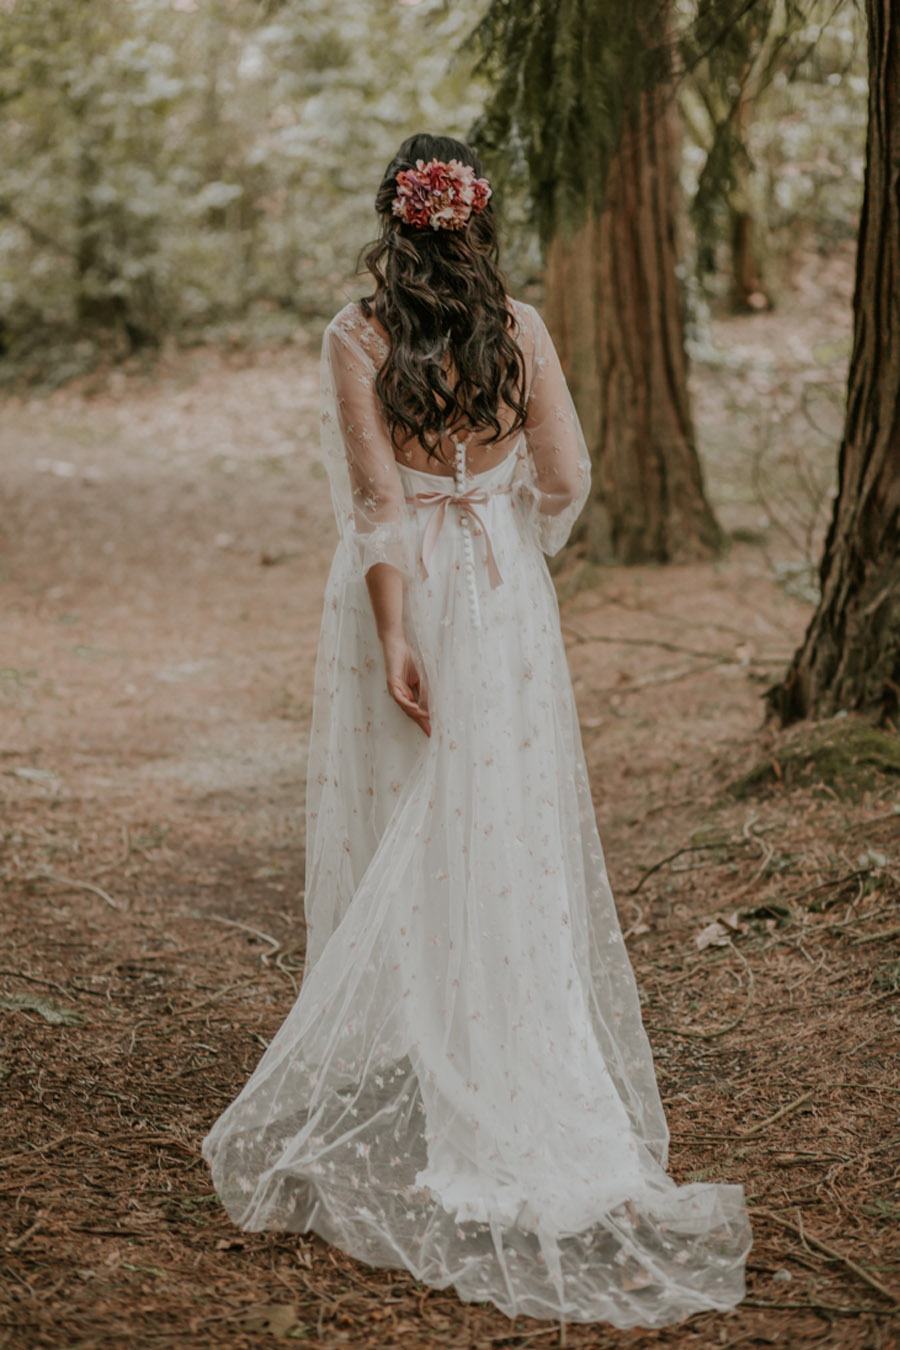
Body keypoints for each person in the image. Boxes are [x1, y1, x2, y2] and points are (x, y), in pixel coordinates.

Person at [201, 133, 751, 1327]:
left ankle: (436, 1049)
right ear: (472, 219)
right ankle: (508, 1046)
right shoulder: (524, 327)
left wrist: (398, 635)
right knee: (500, 817)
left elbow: (375, 504)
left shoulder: (356, 337)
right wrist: (509, 535)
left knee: (416, 808)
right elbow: (567, 477)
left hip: (412, 596)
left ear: (395, 220)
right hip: (502, 591)